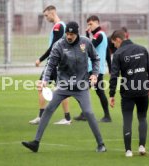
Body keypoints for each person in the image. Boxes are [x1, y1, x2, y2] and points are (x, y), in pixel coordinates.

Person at [22, 21, 106, 153]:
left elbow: (96, 58)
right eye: (67, 33)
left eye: (71, 34)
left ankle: (101, 144)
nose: (69, 36)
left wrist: (94, 74)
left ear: (77, 33)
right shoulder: (59, 45)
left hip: (81, 86)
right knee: (48, 109)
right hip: (63, 85)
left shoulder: (86, 42)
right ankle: (36, 142)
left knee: (89, 113)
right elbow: (50, 64)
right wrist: (45, 80)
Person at [109, 28, 149, 157]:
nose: (114, 46)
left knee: (127, 120)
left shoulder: (118, 54)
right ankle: (142, 146)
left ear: (118, 40)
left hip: (128, 93)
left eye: (114, 43)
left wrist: (111, 95)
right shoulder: (142, 49)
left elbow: (114, 76)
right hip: (142, 91)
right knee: (142, 118)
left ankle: (128, 150)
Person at [29, 5, 71, 125]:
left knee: (42, 86)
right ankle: (66, 118)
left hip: (54, 63)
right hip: (59, 63)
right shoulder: (60, 26)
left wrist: (40, 59)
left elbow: (54, 46)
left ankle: (43, 117)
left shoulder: (58, 27)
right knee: (60, 89)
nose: (46, 18)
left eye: (46, 15)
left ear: (52, 13)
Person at [74, 15, 111, 122]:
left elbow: (87, 48)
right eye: (88, 24)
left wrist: (86, 35)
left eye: (91, 24)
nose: (89, 26)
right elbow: (108, 53)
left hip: (94, 70)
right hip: (96, 69)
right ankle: (88, 114)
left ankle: (103, 116)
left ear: (97, 23)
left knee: (82, 90)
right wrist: (110, 67)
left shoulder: (98, 35)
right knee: (91, 91)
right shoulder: (102, 35)